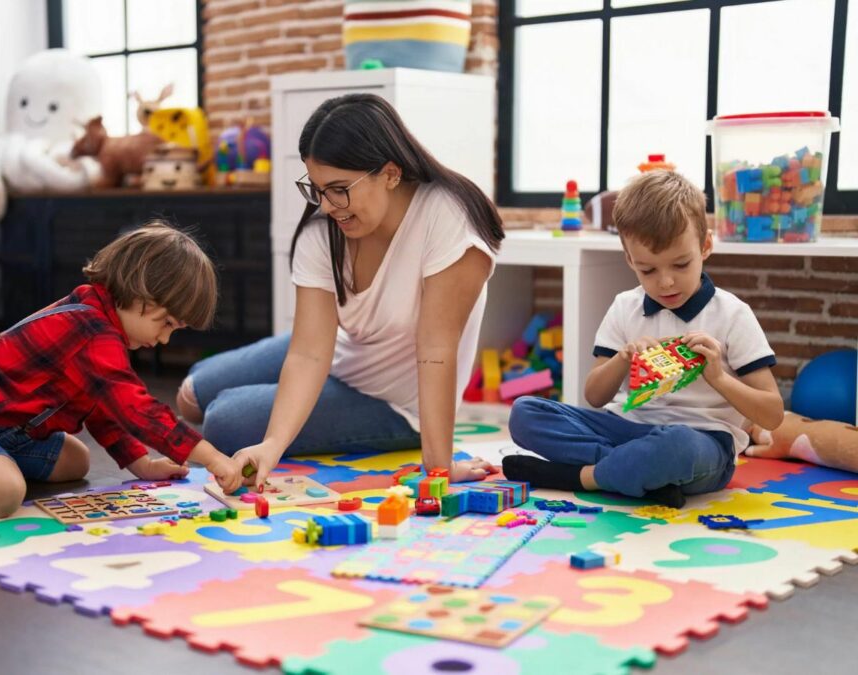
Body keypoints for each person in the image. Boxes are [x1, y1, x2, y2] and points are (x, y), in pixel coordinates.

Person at [176, 93, 505, 487]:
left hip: (394, 404)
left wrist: (438, 468)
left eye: (338, 188)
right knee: (191, 396)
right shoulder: (325, 226)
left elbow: (436, 350)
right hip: (339, 354)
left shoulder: (448, 217)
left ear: (390, 173)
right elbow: (310, 352)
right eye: (316, 188)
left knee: (223, 419)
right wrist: (273, 444)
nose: (328, 206)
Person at [0, 221, 245, 518]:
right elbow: (136, 409)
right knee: (4, 494)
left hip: (12, 430)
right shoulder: (89, 328)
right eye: (166, 324)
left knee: (77, 460)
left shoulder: (101, 324)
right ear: (139, 291)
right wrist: (212, 457)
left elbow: (102, 406)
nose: (164, 339)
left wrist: (140, 463)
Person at [504, 171, 784, 508]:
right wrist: (623, 359)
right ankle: (637, 474)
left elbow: (772, 415)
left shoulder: (733, 314)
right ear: (629, 260)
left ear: (706, 246)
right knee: (525, 412)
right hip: (625, 426)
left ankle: (582, 477)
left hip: (703, 444)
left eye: (681, 264)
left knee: (675, 446)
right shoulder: (626, 307)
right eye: (648, 270)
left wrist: (718, 377)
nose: (666, 282)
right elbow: (594, 396)